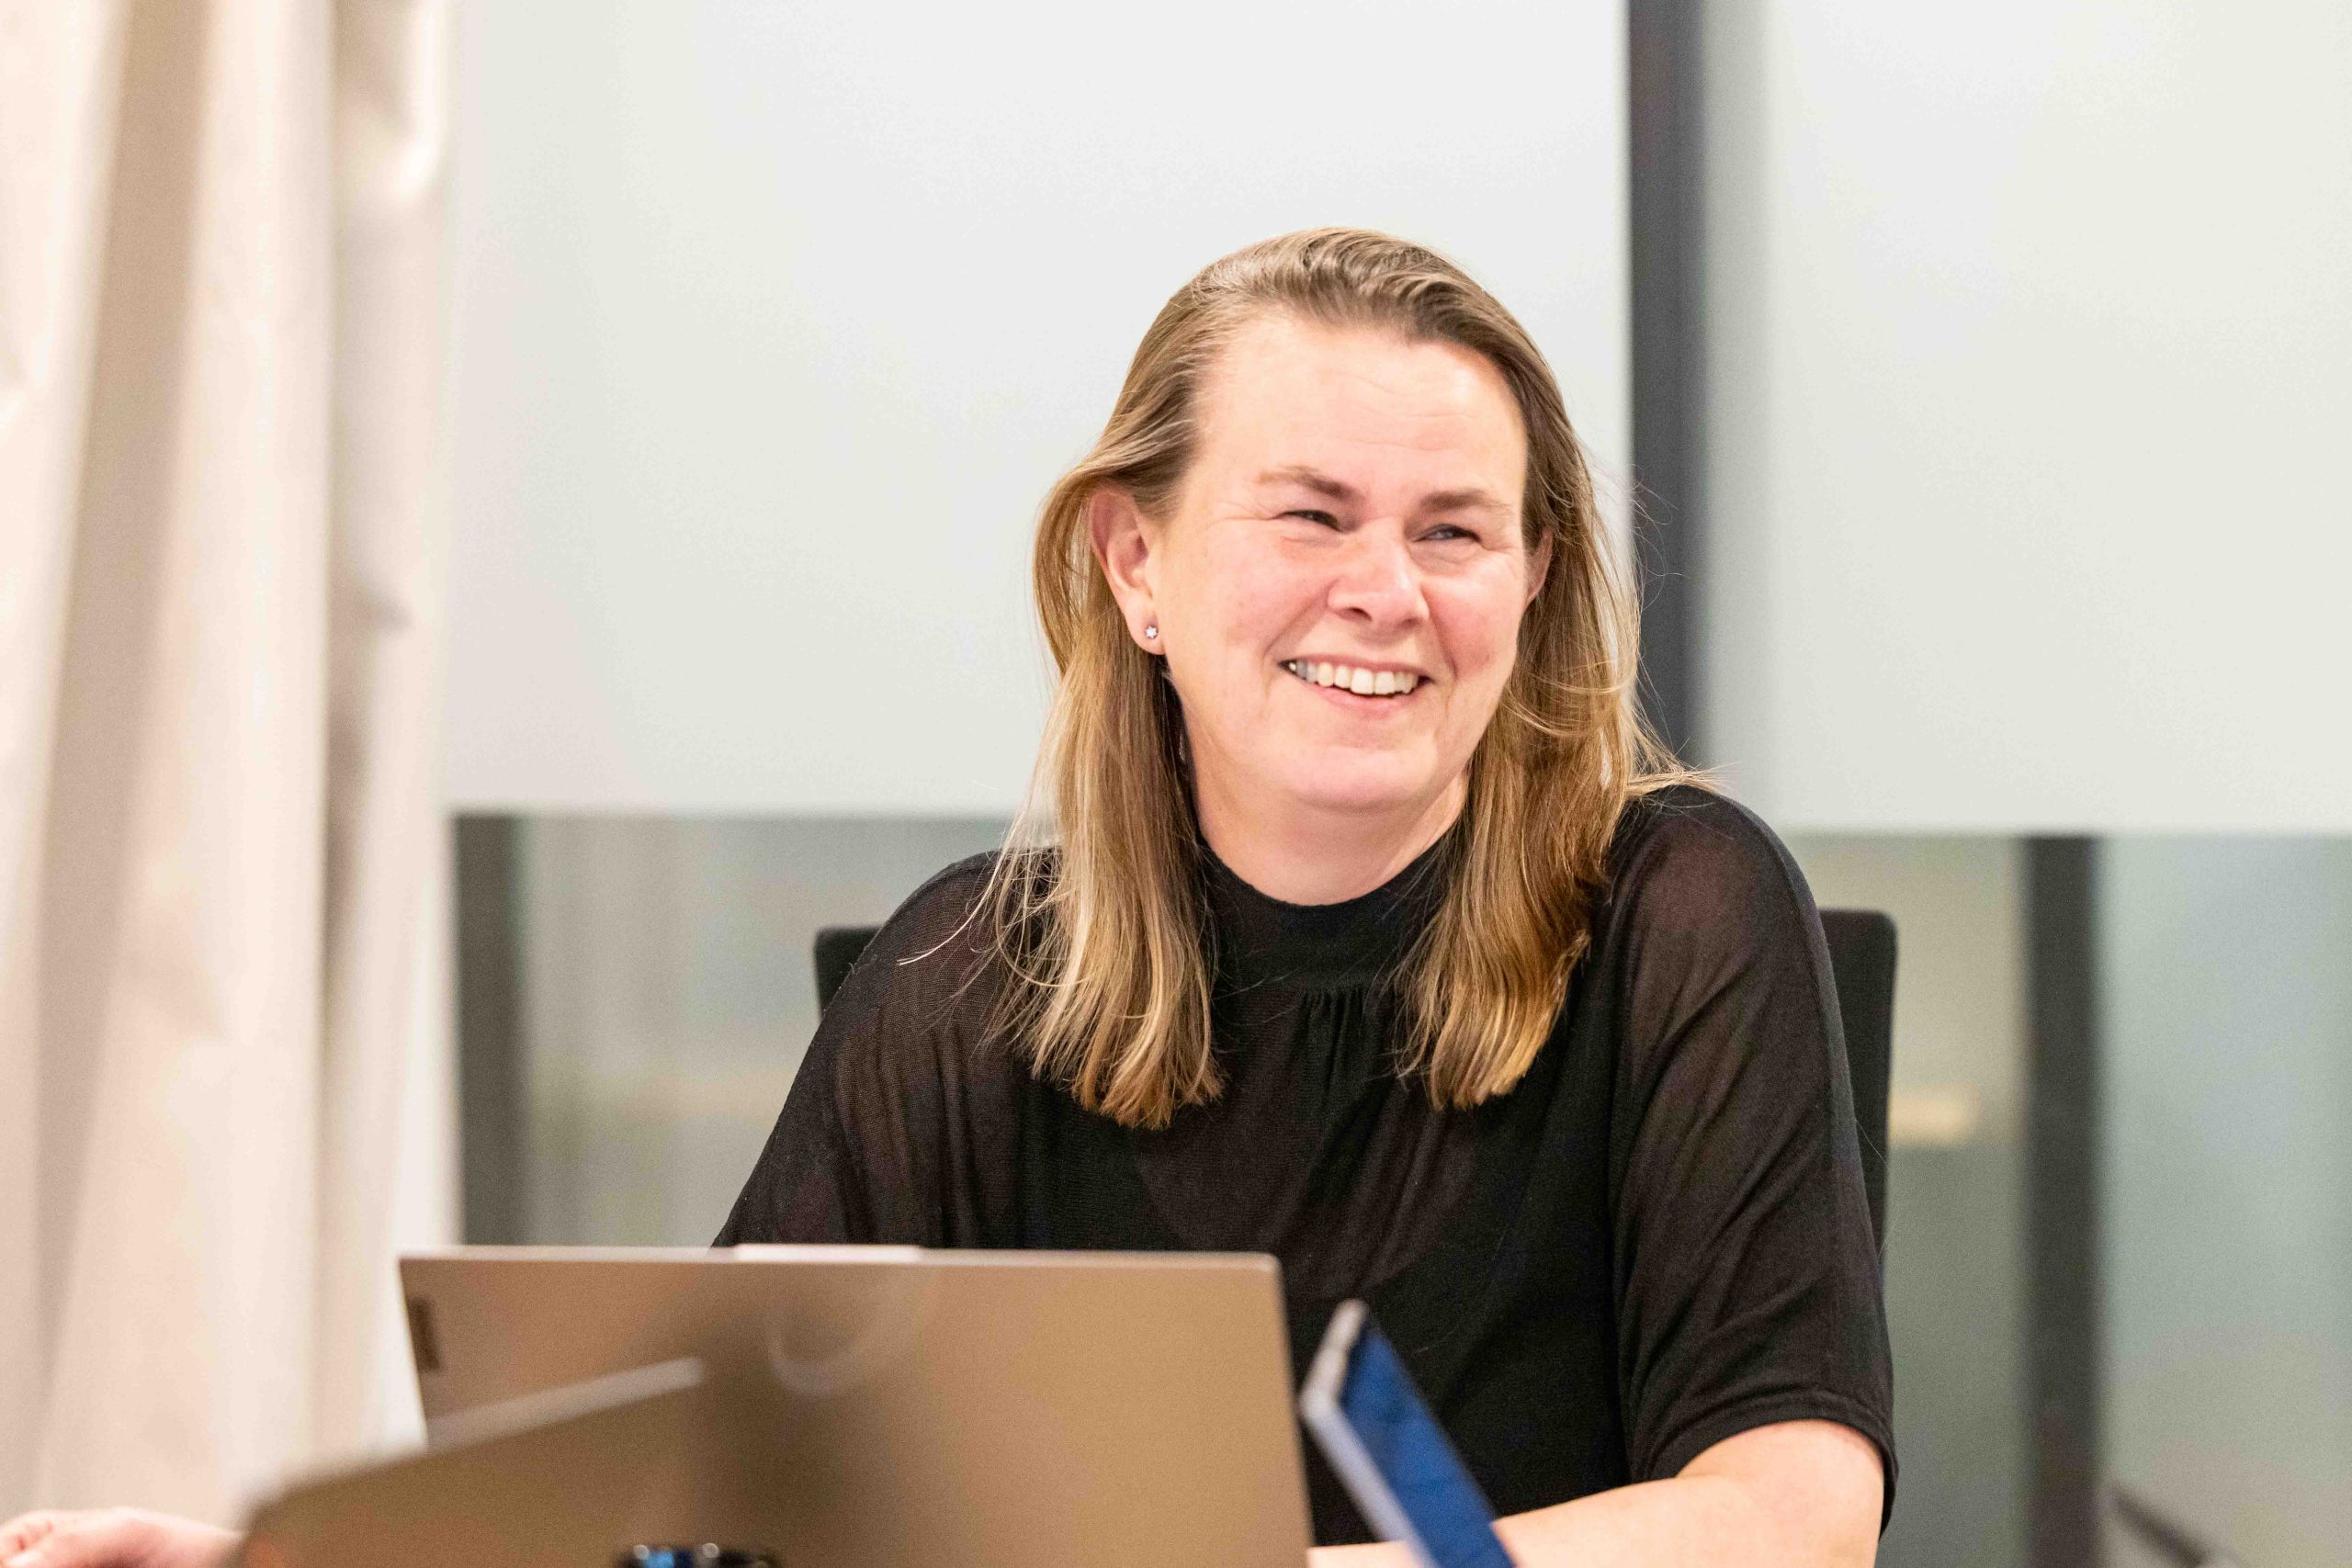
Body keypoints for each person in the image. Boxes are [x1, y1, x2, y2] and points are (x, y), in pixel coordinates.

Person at [2, 228, 1892, 1567]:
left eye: (1453, 531)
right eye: (1311, 513)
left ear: (1532, 583)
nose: (1385, 591)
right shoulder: (969, 973)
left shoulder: (1682, 908)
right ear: (1133, 564)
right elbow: (696, 1500)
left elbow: (1788, 1514)